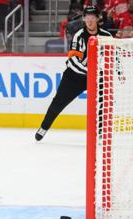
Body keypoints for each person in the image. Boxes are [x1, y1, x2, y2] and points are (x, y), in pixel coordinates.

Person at [35, 6, 112, 141]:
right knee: (58, 102)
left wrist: (119, 71)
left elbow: (114, 56)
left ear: (98, 18)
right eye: (87, 17)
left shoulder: (107, 36)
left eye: (93, 17)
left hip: (96, 77)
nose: (89, 20)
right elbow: (73, 60)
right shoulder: (79, 35)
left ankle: (100, 134)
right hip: (74, 76)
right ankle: (44, 127)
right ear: (84, 18)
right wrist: (90, 72)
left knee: (102, 103)